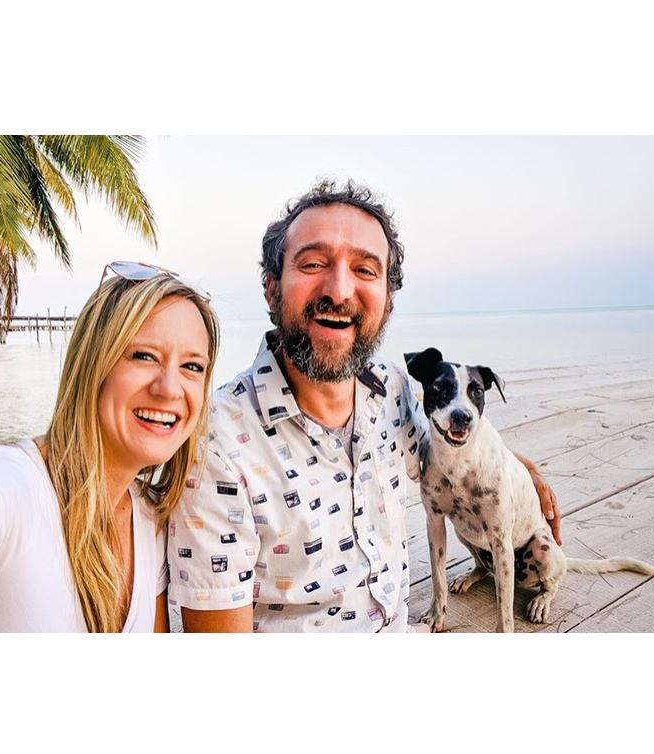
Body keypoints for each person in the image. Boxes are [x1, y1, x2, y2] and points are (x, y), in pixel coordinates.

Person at [167, 180, 561, 632]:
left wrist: (520, 470)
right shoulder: (218, 443)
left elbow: (437, 453)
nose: (339, 289)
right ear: (272, 287)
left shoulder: (389, 389)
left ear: (388, 302)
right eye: (313, 263)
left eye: (366, 270)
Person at [0, 266, 220, 632]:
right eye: (144, 356)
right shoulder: (1, 483)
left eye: (192, 366)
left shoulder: (148, 520)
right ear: (93, 363)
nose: (170, 388)